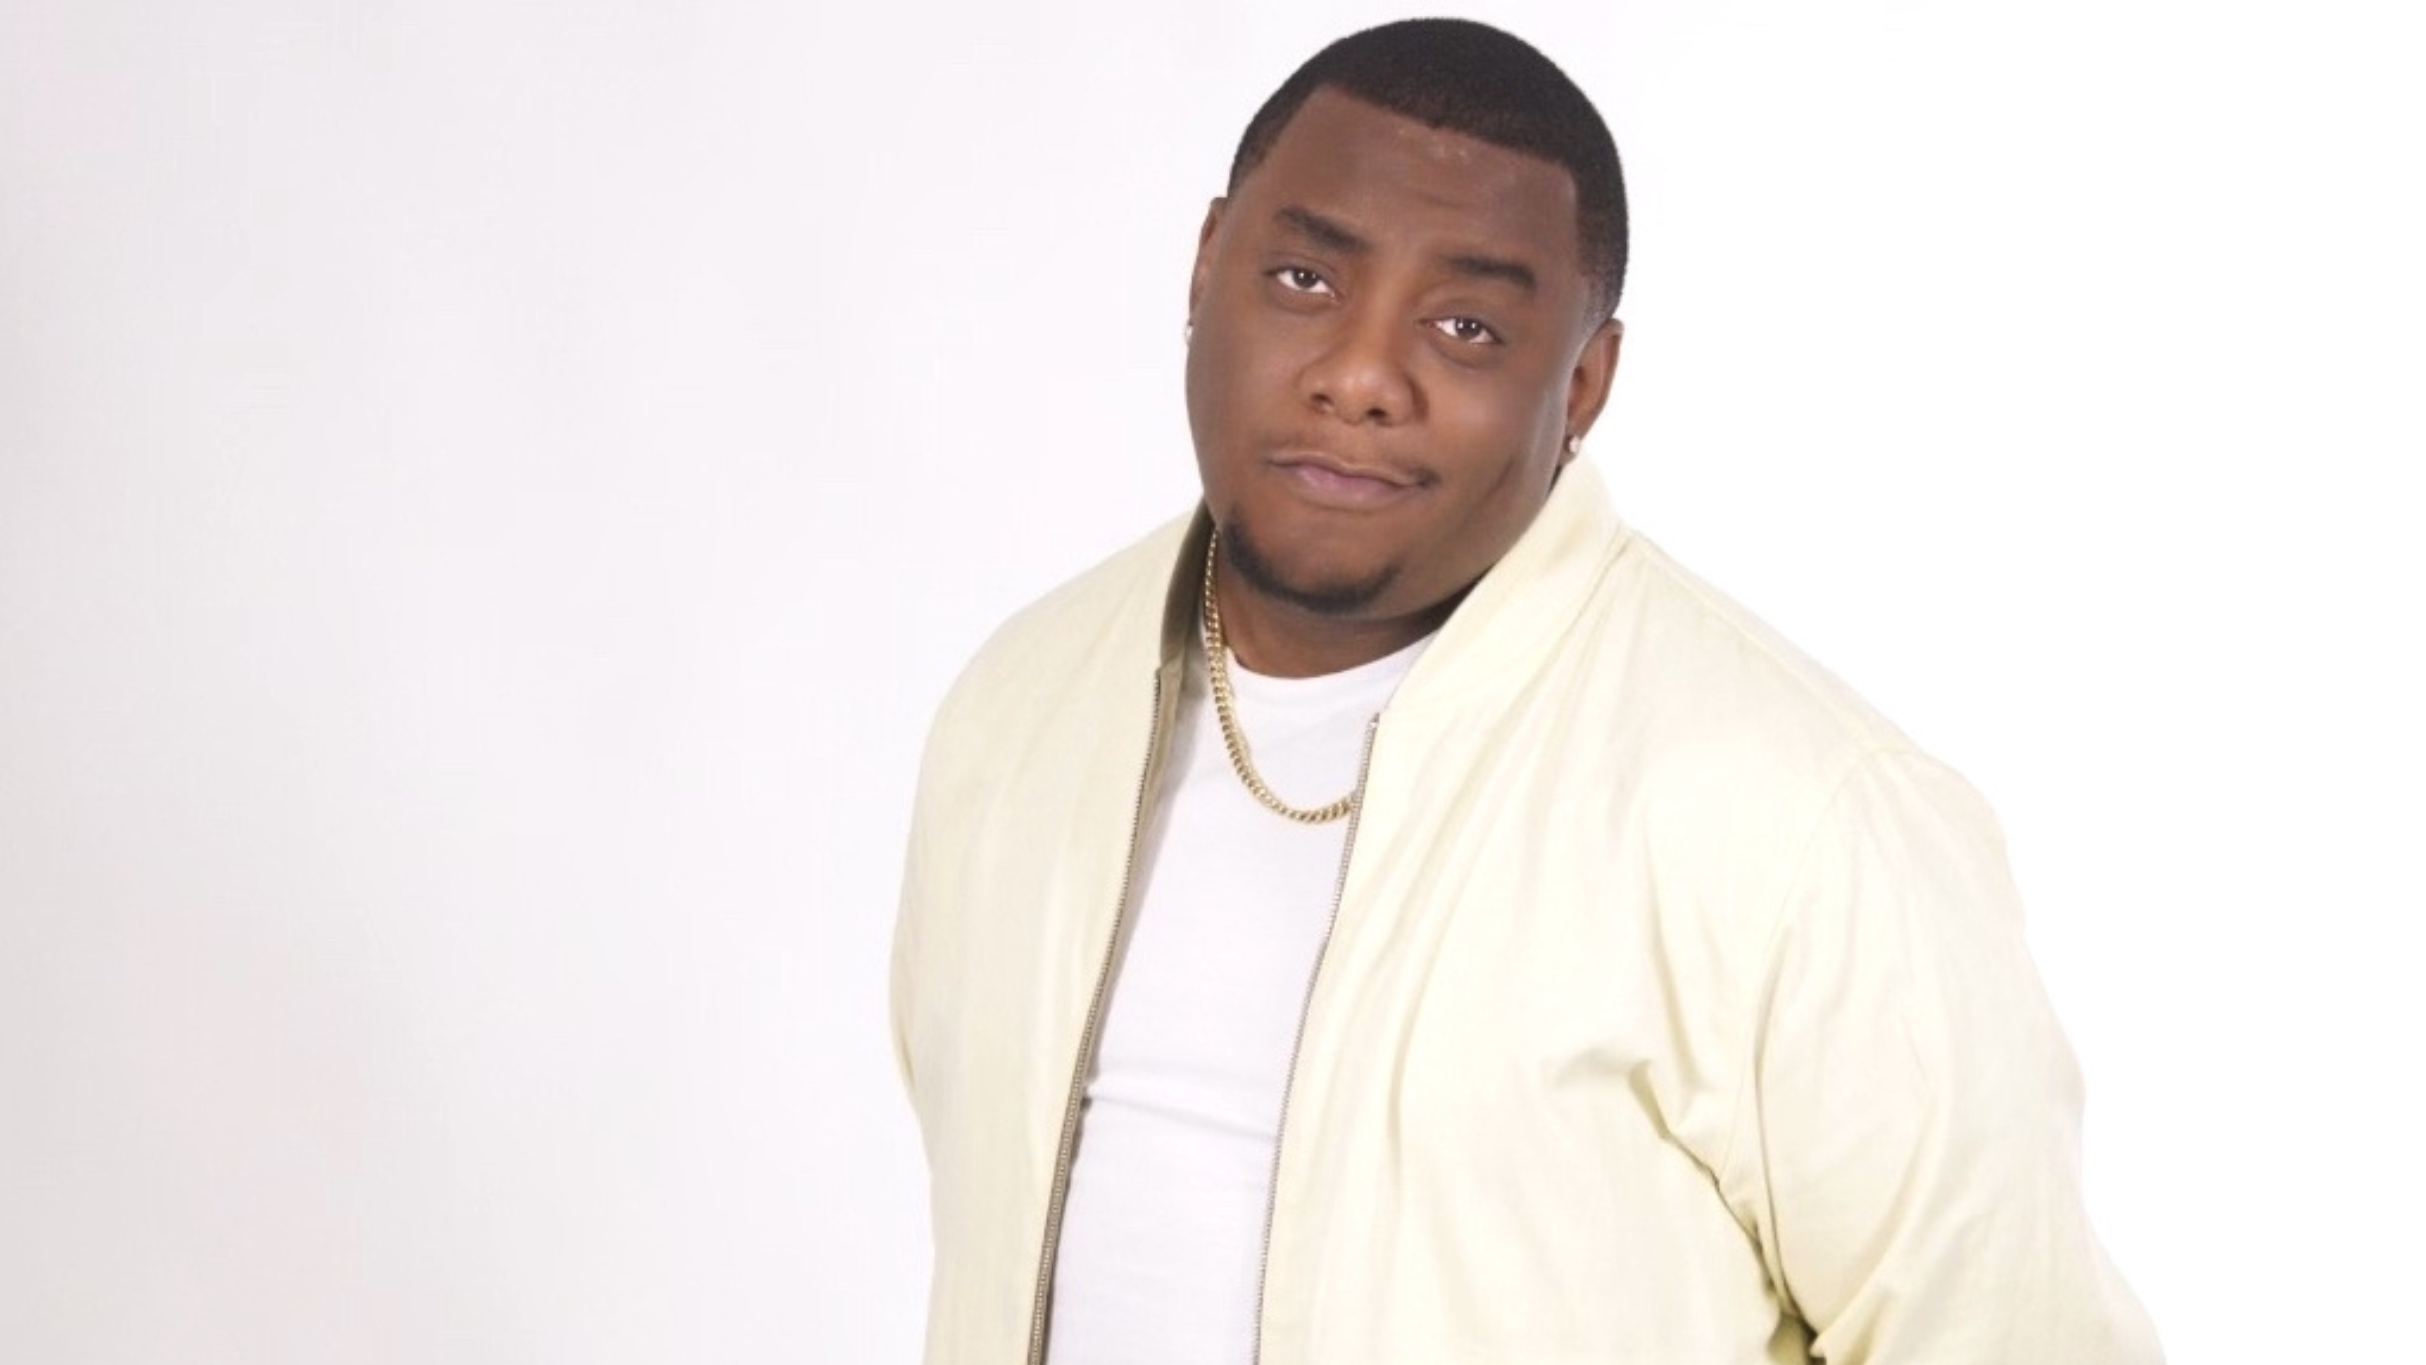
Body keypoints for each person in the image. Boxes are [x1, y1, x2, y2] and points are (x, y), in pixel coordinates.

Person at [891, 17, 2160, 1365]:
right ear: (1208, 266)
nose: (1359, 377)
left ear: (1583, 384)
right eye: (1306, 277)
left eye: (1467, 326)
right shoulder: (1021, 711)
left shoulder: (1802, 821)